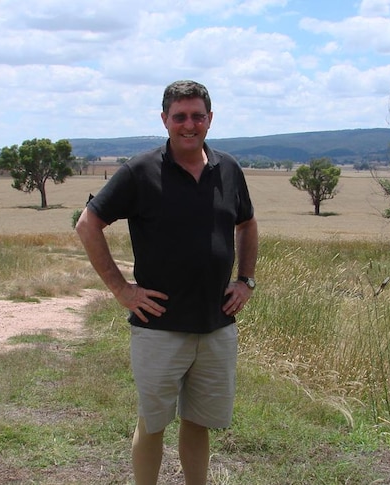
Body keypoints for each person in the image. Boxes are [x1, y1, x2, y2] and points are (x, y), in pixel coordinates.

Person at [75, 79, 258, 485]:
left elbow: (247, 223)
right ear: (164, 120)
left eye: (197, 116)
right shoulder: (140, 172)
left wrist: (245, 280)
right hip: (158, 327)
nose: (189, 125)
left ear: (210, 119)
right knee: (153, 422)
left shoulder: (228, 169)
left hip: (216, 323)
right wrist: (122, 290)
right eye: (180, 117)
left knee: (198, 422)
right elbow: (88, 224)